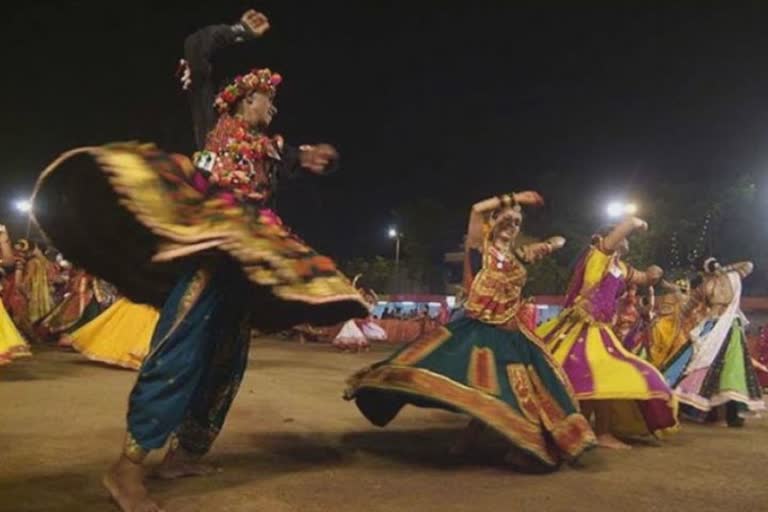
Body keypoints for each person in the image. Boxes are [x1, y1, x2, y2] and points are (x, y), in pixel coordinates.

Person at [31, 10, 368, 512]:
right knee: (181, 347)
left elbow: (297, 159)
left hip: (249, 257)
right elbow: (195, 49)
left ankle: (184, 453)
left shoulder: (273, 150)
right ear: (245, 99)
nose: (273, 109)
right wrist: (240, 33)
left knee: (228, 359)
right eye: (267, 100)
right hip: (210, 248)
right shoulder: (214, 118)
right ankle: (127, 468)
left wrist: (317, 157)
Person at [346, 191, 596, 471]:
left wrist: (547, 245)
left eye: (517, 223)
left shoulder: (517, 256)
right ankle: (481, 442)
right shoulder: (480, 249)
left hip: (513, 333)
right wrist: (516, 199)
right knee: (481, 384)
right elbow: (476, 209)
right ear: (494, 221)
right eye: (507, 220)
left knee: (527, 389)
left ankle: (473, 442)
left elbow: (560, 240)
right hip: (480, 329)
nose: (512, 225)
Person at [536, 217, 678, 449]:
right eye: (620, 235)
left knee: (598, 380)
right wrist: (632, 222)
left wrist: (654, 274)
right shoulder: (599, 254)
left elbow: (643, 278)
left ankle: (595, 431)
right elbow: (617, 235)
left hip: (601, 330)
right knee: (584, 377)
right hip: (582, 327)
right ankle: (583, 431)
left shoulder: (619, 266)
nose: (625, 240)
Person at [673, 257, 764, 427]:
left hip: (730, 326)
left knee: (726, 367)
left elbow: (749, 265)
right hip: (711, 326)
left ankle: (726, 416)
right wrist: (677, 317)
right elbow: (688, 307)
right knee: (704, 365)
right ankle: (714, 415)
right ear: (703, 272)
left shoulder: (732, 276)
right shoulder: (704, 286)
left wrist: (724, 268)